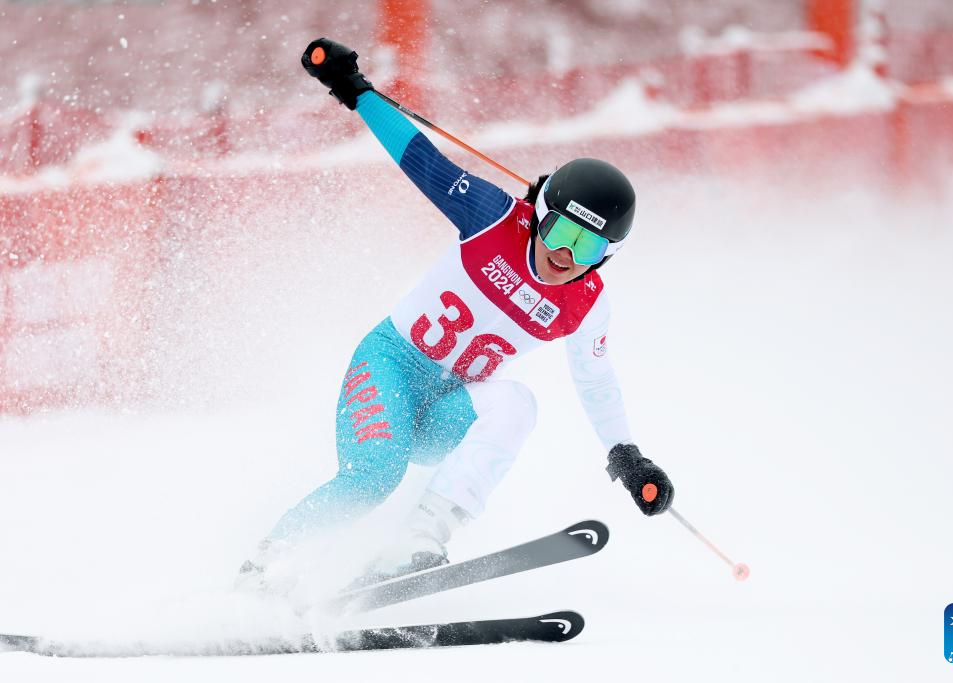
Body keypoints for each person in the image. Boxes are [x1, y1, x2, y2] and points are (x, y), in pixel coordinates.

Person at [238, 38, 676, 590]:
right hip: (391, 367)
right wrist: (354, 90)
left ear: (607, 256)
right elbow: (420, 158)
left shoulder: (586, 305)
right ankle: (264, 569)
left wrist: (626, 455)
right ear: (540, 214)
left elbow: (596, 380)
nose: (565, 254)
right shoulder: (492, 217)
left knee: (517, 402)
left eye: (586, 247)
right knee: (374, 476)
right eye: (560, 231)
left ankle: (421, 538)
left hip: (446, 410)